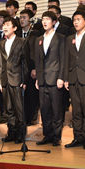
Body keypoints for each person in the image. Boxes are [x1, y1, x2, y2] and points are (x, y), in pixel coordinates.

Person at [64, 8, 85, 150]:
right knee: (76, 110)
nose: (76, 22)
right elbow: (66, 60)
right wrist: (66, 78)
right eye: (74, 20)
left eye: (79, 20)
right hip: (73, 78)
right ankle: (77, 137)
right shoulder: (69, 38)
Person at [34, 11, 66, 147]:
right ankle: (47, 135)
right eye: (43, 19)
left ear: (54, 22)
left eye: (47, 19)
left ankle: (56, 137)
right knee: (45, 110)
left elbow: (63, 59)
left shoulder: (61, 38)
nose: (44, 21)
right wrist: (37, 78)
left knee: (56, 110)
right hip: (42, 79)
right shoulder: (38, 39)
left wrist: (61, 77)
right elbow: (38, 61)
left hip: (55, 78)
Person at [0, 17, 27, 144]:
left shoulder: (22, 42)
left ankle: (21, 134)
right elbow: (0, 64)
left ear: (14, 28)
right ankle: (11, 133)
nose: (5, 27)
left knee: (19, 109)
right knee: (8, 109)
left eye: (8, 25)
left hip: (17, 79)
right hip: (5, 80)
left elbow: (25, 63)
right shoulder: (1, 43)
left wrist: (24, 80)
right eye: (4, 25)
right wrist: (0, 81)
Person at [20, 9, 41, 125]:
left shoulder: (35, 33)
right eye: (20, 17)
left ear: (30, 19)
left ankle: (31, 117)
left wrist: (35, 68)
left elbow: (36, 52)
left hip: (31, 68)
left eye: (24, 17)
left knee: (31, 94)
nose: (22, 20)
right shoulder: (17, 33)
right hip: (20, 69)